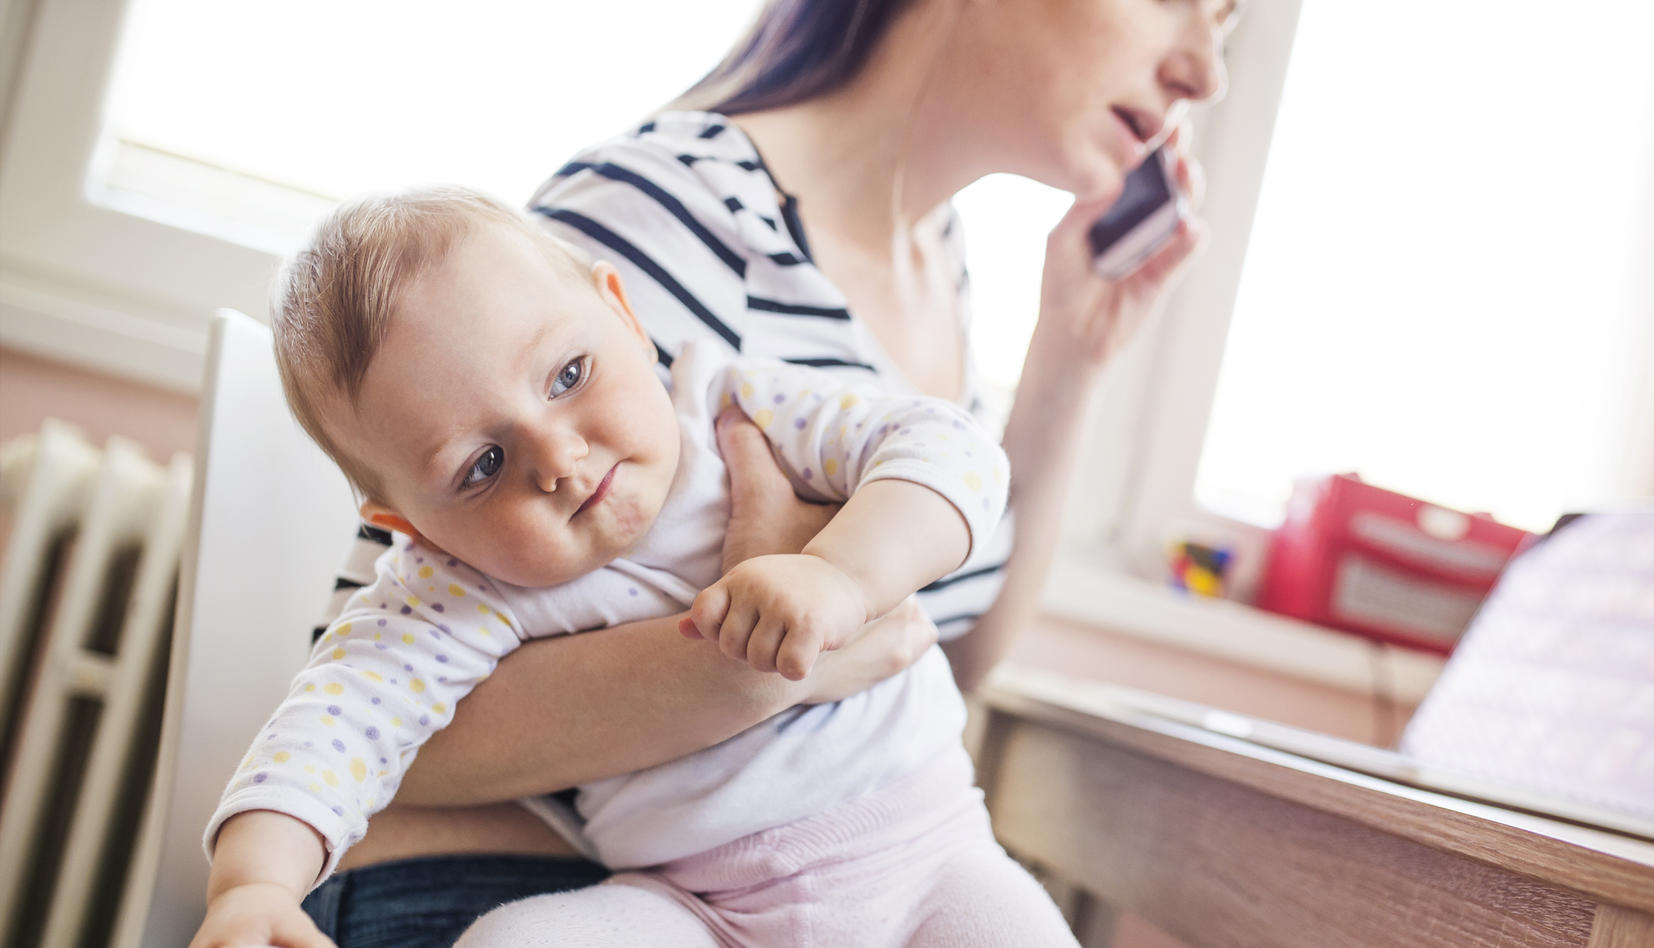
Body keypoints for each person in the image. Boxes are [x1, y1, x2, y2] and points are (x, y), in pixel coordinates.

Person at [287, 0, 1233, 943]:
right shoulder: (674, 209)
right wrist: (772, 658)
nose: (1204, 71)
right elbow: (390, 722)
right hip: (492, 879)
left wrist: (1070, 360)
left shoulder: (939, 269)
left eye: (1224, 26)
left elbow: (943, 643)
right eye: (1177, 2)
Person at [191, 187, 1074, 947]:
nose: (560, 460)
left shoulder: (741, 408)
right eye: (482, 466)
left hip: (927, 855)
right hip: (696, 910)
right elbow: (334, 725)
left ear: (624, 313)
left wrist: (841, 575)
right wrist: (254, 888)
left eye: (569, 374)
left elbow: (948, 449)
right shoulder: (458, 586)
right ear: (407, 526)